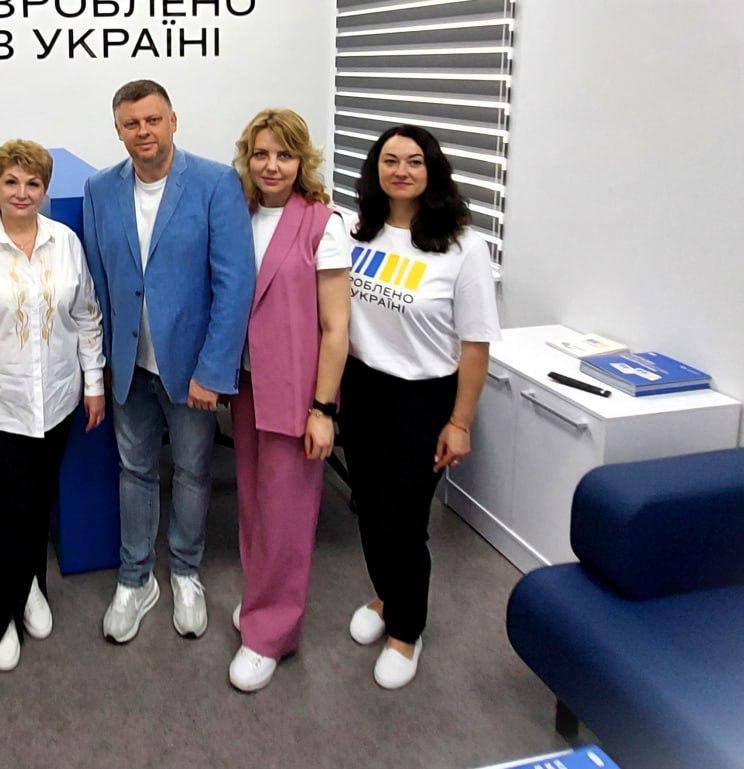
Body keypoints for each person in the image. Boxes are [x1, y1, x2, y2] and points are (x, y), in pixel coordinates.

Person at [83, 79, 255, 644]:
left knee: (192, 471)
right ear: (118, 130)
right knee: (133, 471)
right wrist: (101, 364)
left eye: (153, 120)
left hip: (191, 369)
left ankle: (184, 571)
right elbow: (98, 283)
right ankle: (136, 579)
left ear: (173, 121)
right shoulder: (99, 189)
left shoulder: (215, 183)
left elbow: (234, 285)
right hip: (129, 364)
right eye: (131, 123)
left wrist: (215, 370)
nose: (143, 132)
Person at [0, 140, 106, 671]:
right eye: (11, 182)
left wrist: (93, 383)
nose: (22, 192)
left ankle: (32, 583)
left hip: (55, 399)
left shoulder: (65, 242)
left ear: (45, 189)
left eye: (33, 183)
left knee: (39, 499)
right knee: (10, 511)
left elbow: (87, 315)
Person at [340, 124, 501, 690]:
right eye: (390, 160)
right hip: (362, 388)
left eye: (413, 161)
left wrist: (460, 422)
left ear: (432, 171)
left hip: (424, 398)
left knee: (403, 522)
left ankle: (407, 630)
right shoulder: (357, 232)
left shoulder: (463, 246)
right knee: (367, 506)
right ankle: (387, 597)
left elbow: (475, 345)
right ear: (375, 170)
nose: (401, 171)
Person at [226, 109, 351, 692]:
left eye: (284, 154)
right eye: (261, 154)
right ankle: (261, 599)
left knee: (287, 516)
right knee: (255, 506)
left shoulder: (323, 223)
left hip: (298, 394)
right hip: (249, 386)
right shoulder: (242, 213)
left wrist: (322, 410)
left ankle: (271, 634)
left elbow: (336, 327)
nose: (271, 165)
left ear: (303, 161)